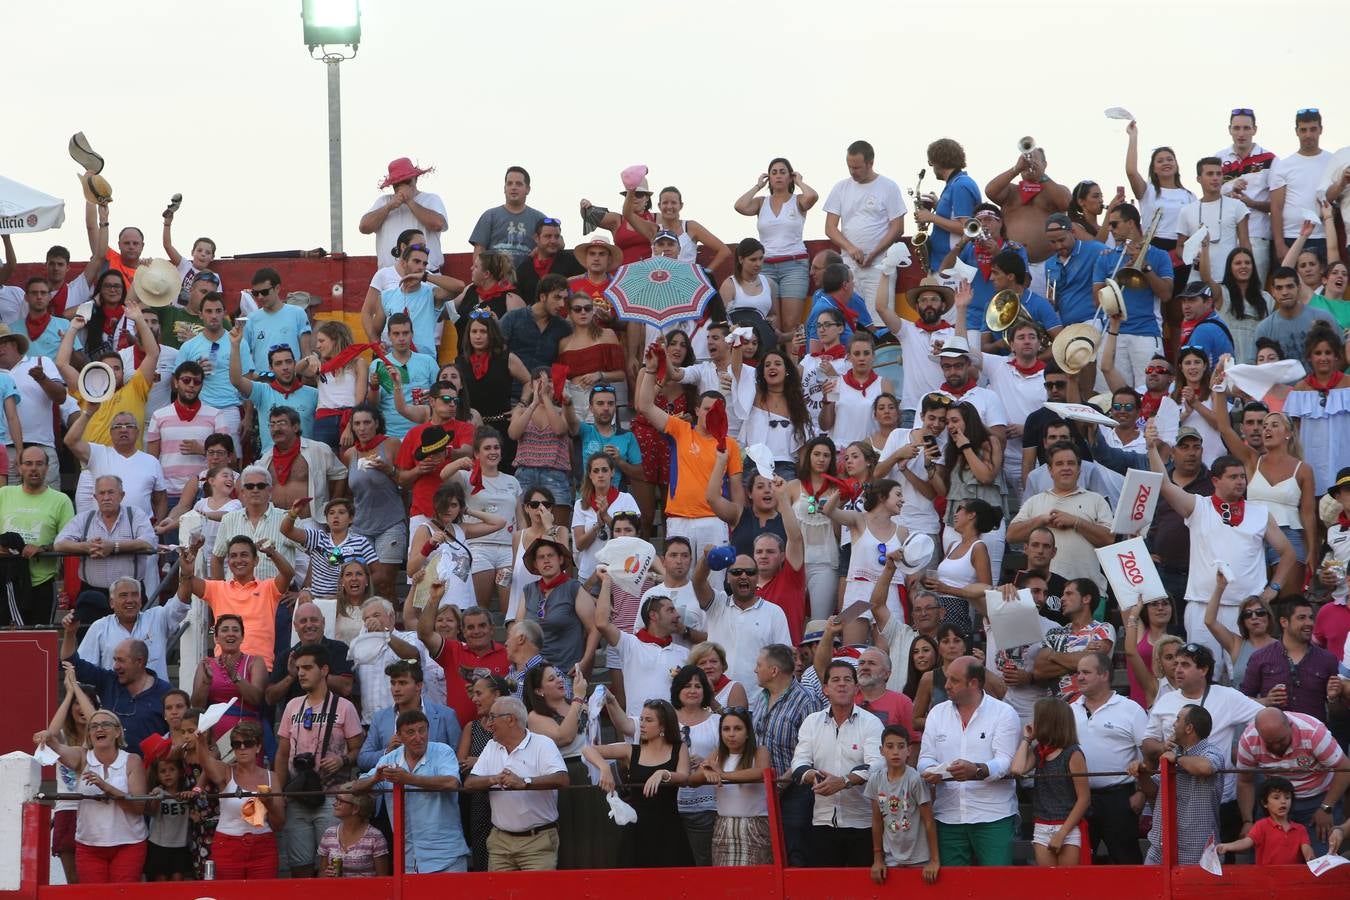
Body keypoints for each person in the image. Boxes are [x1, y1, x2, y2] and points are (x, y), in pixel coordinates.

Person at [1147, 428, 1295, 679]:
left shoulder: (1259, 512)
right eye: (1233, 477)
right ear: (1215, 481)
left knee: (1247, 676)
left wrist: (1275, 588)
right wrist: (1152, 448)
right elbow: (1163, 484)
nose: (1240, 482)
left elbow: (1288, 552)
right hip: (1203, 605)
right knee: (1203, 677)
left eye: (1242, 477)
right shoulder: (1198, 507)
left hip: (1247, 610)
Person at [635, 356, 746, 564]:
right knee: (679, 585)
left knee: (715, 587)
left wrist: (736, 524)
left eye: (717, 409)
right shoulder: (681, 430)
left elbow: (737, 491)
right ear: (696, 411)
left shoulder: (729, 444)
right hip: (679, 520)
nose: (711, 413)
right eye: (706, 408)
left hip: (714, 521)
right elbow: (645, 406)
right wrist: (650, 370)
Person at [917, 656, 1021, 866]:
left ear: (973, 683)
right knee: (953, 890)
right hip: (948, 815)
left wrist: (977, 770)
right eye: (947, 679)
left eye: (953, 681)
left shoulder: (1004, 713)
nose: (946, 686)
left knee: (997, 886)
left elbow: (1005, 762)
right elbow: (924, 758)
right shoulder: (937, 713)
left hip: (993, 816)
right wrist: (931, 771)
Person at [273, 643, 365, 878]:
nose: (301, 673)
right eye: (298, 668)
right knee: (299, 865)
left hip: (332, 797)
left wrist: (343, 760)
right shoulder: (293, 706)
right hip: (296, 795)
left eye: (307, 667)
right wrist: (279, 794)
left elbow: (359, 751)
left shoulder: (345, 707)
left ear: (324, 670)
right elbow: (282, 754)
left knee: (332, 866)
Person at [787, 659, 884, 867]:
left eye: (848, 679)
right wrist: (816, 777)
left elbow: (877, 765)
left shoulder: (872, 723)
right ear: (825, 689)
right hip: (821, 822)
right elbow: (798, 763)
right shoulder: (811, 722)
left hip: (863, 823)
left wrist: (844, 781)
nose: (842, 684)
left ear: (856, 688)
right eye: (836, 680)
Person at [35, 710, 149, 884]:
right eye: (93, 726)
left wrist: (106, 787)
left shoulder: (132, 761)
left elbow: (139, 807)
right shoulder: (82, 756)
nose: (99, 729)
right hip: (89, 845)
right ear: (89, 733)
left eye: (105, 725)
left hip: (129, 843)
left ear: (118, 732)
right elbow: (57, 747)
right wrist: (47, 737)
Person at [353, 708, 471, 873]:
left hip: (446, 857)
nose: (418, 737)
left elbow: (451, 783)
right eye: (410, 732)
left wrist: (408, 779)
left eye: (422, 730)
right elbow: (356, 788)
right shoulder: (389, 759)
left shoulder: (443, 751)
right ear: (399, 737)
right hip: (408, 861)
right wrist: (375, 778)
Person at [583, 698, 695, 869]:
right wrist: (604, 767)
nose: (642, 724)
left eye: (649, 720)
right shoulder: (631, 750)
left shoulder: (678, 748)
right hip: (636, 828)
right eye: (641, 719)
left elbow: (684, 776)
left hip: (669, 829)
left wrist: (663, 773)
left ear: (663, 726)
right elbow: (587, 749)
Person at [463, 696, 570, 871]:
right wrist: (493, 779)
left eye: (492, 717)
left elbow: (562, 779)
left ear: (510, 719)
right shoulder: (491, 746)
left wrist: (525, 782)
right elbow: (469, 784)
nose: (488, 724)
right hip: (500, 841)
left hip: (538, 842)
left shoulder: (542, 744)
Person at [1070, 652, 1147, 864]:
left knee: (1127, 862)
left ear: (1104, 675)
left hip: (1119, 798)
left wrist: (1141, 792)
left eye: (1086, 672)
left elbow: (1148, 754)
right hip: (1078, 799)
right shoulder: (1070, 709)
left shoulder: (1131, 709)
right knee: (1082, 862)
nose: (1080, 677)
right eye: (1078, 673)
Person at [54, 475, 160, 625]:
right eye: (102, 493)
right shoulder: (84, 518)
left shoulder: (135, 515)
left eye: (111, 492)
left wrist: (114, 547)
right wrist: (85, 547)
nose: (106, 497)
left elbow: (148, 542)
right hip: (92, 594)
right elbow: (59, 543)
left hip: (130, 594)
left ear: (122, 495)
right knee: (89, 642)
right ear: (95, 497)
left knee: (134, 642)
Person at [179, 534, 294, 672]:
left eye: (244, 555)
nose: (238, 560)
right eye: (233, 556)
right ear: (228, 562)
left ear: (256, 560)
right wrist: (194, 551)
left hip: (259, 669)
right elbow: (188, 581)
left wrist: (272, 553)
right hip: (224, 668)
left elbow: (288, 574)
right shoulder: (218, 589)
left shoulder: (268, 588)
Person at [824, 140, 908, 325]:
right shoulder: (840, 188)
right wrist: (851, 248)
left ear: (870, 163)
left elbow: (898, 227)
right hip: (849, 265)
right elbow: (830, 227)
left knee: (880, 318)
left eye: (857, 167)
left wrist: (874, 253)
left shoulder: (888, 186)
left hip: (879, 264)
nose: (853, 171)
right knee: (849, 320)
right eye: (849, 166)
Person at [1091, 204, 1174, 387]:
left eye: (1115, 224)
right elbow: (1097, 301)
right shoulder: (1106, 257)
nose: (1110, 229)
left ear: (1130, 223)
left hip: (1146, 333)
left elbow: (1166, 294)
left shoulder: (1159, 256)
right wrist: (1120, 275)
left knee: (1150, 390)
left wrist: (1145, 268)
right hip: (1113, 333)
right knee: (1111, 396)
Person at [733, 157, 819, 332]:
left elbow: (813, 196)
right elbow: (740, 206)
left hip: (794, 266)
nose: (778, 176)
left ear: (790, 177)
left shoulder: (798, 200)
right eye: (774, 172)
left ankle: (791, 359)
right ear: (769, 178)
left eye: (782, 172)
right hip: (765, 267)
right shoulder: (761, 202)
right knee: (772, 323)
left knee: (790, 323)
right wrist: (758, 186)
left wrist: (800, 182)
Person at [1010, 697, 1090, 867]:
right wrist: (1026, 739)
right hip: (1042, 824)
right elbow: (1017, 769)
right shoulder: (1039, 751)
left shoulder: (1072, 753)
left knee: (1069, 882)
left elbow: (1084, 799)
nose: (1033, 722)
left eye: (1037, 718)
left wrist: (1062, 833)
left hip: (1067, 825)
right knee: (1050, 884)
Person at [1240, 596, 1341, 720]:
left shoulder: (1327, 660)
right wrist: (1266, 701)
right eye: (1301, 618)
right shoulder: (1260, 657)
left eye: (1311, 617)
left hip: (1314, 736)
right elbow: (1242, 700)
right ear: (1284, 622)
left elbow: (1338, 714)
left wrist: (1333, 699)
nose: (1309, 623)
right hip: (1273, 735)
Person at [515, 536, 597, 677]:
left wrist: (585, 662)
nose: (546, 560)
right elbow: (518, 632)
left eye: (550, 555)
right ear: (535, 563)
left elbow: (594, 629)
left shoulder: (574, 588)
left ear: (560, 559)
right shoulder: (528, 590)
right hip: (534, 674)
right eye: (541, 557)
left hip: (565, 671)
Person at [1284, 323, 1350, 496]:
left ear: (1336, 356)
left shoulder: (1348, 384)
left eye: (1328, 353)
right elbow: (1295, 431)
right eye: (1318, 353)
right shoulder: (1300, 390)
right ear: (1309, 357)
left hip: (1344, 456)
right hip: (1311, 459)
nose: (1323, 358)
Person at [508, 369, 576, 525]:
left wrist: (545, 398)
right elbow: (513, 433)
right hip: (525, 473)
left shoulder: (563, 411)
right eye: (538, 380)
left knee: (558, 530)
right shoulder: (521, 411)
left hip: (555, 475)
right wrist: (534, 403)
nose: (544, 384)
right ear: (531, 386)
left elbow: (559, 429)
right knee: (526, 530)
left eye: (549, 381)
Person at [1035, 579, 1116, 703]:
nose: (1062, 598)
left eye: (1069, 594)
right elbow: (1039, 671)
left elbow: (1093, 663)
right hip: (1057, 712)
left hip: (1090, 709)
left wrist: (1053, 655)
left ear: (1086, 599)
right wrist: (1082, 655)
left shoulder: (1103, 629)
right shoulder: (1054, 632)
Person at [359, 158, 448, 270]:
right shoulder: (384, 202)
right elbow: (364, 227)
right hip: (390, 277)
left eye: (406, 182)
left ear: (415, 179)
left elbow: (438, 224)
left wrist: (410, 202)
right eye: (396, 184)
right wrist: (388, 207)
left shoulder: (431, 199)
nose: (401, 187)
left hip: (425, 274)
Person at [189, 613, 267, 741]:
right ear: (216, 638)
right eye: (225, 630)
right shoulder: (207, 664)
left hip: (246, 733)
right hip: (213, 733)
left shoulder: (255, 661)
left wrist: (235, 676)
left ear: (242, 637)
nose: (230, 633)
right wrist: (206, 683)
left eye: (235, 630)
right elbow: (197, 705)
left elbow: (256, 698)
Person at [1270, 110, 1332, 261]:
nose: (1308, 135)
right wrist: (1279, 244)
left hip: (1322, 236)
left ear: (1321, 130)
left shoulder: (1332, 161)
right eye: (1303, 130)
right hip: (1290, 237)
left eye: (1313, 129)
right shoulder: (1283, 165)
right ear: (1296, 131)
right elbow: (1275, 207)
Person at [572, 450, 639, 583]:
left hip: (619, 574)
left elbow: (634, 538)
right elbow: (579, 545)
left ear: (612, 472)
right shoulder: (580, 504)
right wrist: (597, 526)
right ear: (590, 475)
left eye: (604, 470)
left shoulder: (626, 499)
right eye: (596, 471)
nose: (600, 475)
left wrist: (606, 517)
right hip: (589, 574)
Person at [1220, 776, 1316, 864]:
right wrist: (1227, 846)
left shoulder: (1300, 829)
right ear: (1265, 803)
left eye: (1287, 797)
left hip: (1292, 879)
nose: (1283, 801)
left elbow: (1307, 849)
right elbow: (1246, 842)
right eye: (1276, 797)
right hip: (1265, 879)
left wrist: (1311, 859)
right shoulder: (1261, 825)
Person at [316, 786, 391, 878]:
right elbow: (321, 873)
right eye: (336, 799)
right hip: (336, 890)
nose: (335, 804)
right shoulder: (329, 833)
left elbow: (382, 878)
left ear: (355, 808)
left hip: (366, 891)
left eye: (340, 801)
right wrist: (327, 873)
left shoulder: (375, 836)